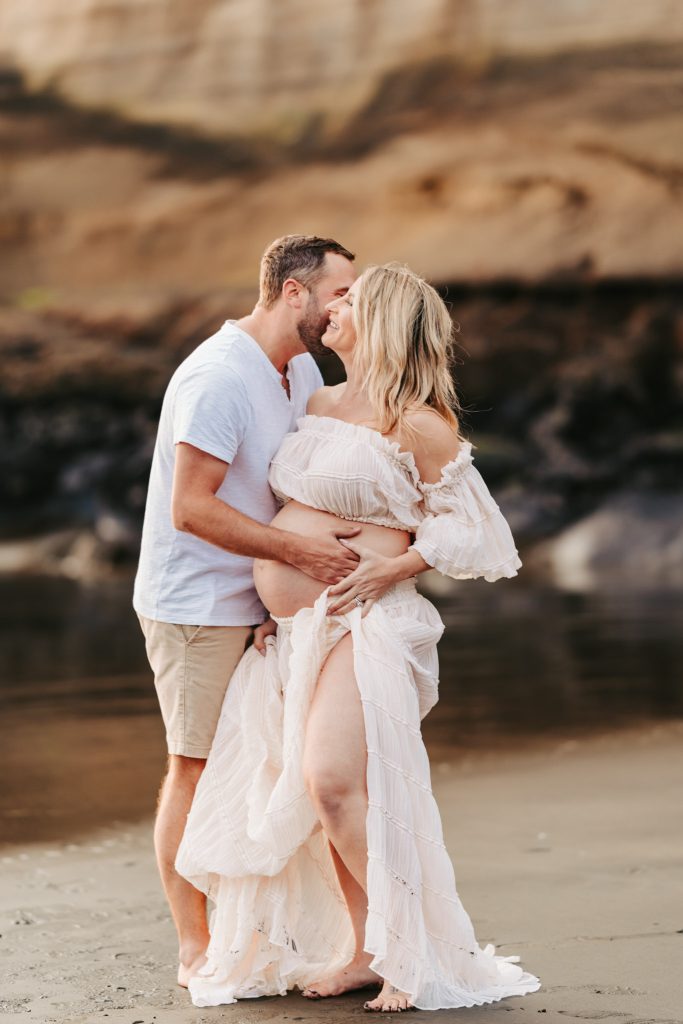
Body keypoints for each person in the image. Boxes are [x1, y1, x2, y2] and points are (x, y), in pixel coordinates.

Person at [176, 263, 541, 1011]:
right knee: (322, 792)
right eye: (335, 295)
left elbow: (480, 532)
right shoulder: (315, 398)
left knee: (333, 782)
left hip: (367, 624)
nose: (335, 308)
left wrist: (391, 567)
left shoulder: (417, 421)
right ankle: (363, 948)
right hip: (297, 630)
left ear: (381, 322)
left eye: (351, 300)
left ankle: (410, 953)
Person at [132, 234, 360, 987]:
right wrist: (296, 558)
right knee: (194, 767)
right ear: (293, 292)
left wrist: (278, 591)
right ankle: (193, 942)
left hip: (254, 600)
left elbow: (282, 486)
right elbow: (190, 509)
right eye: (335, 293)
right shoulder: (218, 378)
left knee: (262, 760)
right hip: (195, 604)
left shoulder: (294, 368)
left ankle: (255, 928)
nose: (342, 309)